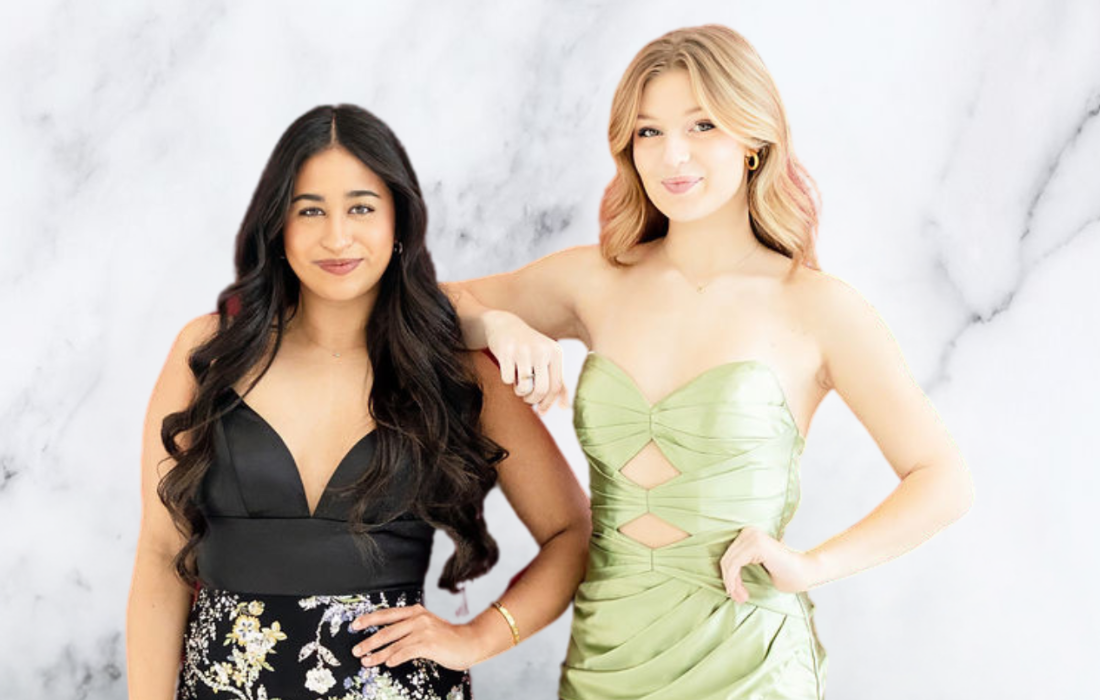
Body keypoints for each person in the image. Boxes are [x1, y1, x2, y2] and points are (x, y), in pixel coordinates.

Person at [444, 25, 974, 699]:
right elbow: (424, 306)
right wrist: (502, 323)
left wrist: (812, 566)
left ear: (754, 141)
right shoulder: (595, 280)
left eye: (702, 126)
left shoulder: (817, 306)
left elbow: (943, 479)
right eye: (648, 132)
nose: (673, 156)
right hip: (610, 650)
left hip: (749, 658)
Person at [126, 104, 591, 699]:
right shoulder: (209, 353)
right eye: (310, 210)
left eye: (361, 208)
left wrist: (478, 638)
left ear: (398, 220)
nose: (337, 236)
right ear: (279, 225)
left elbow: (570, 532)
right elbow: (161, 555)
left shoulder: (454, 370)